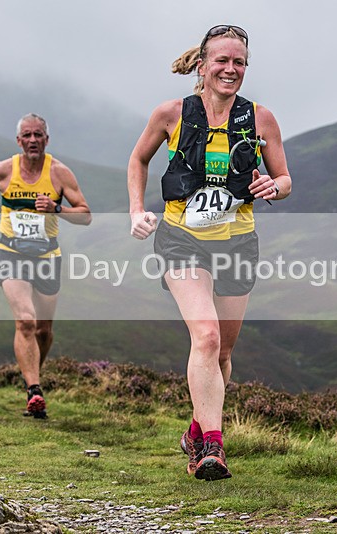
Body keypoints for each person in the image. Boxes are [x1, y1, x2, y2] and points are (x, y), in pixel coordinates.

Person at [128, 25, 291, 480]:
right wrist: (137, 210)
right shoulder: (171, 114)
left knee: (223, 354)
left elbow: (285, 179)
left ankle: (197, 426)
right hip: (182, 239)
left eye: (239, 62)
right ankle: (211, 450)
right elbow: (138, 159)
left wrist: (272, 186)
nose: (230, 69)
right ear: (201, 65)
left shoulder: (261, 119)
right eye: (222, 60)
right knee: (207, 337)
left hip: (238, 241)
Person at [0, 113, 91, 419]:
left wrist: (57, 208)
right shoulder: (2, 171)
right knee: (26, 321)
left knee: (44, 331)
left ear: (47, 139)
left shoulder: (59, 173)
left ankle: (33, 375)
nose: (33, 140)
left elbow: (85, 214)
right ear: (18, 141)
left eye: (38, 135)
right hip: (11, 252)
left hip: (47, 256)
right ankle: (34, 390)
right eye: (27, 136)